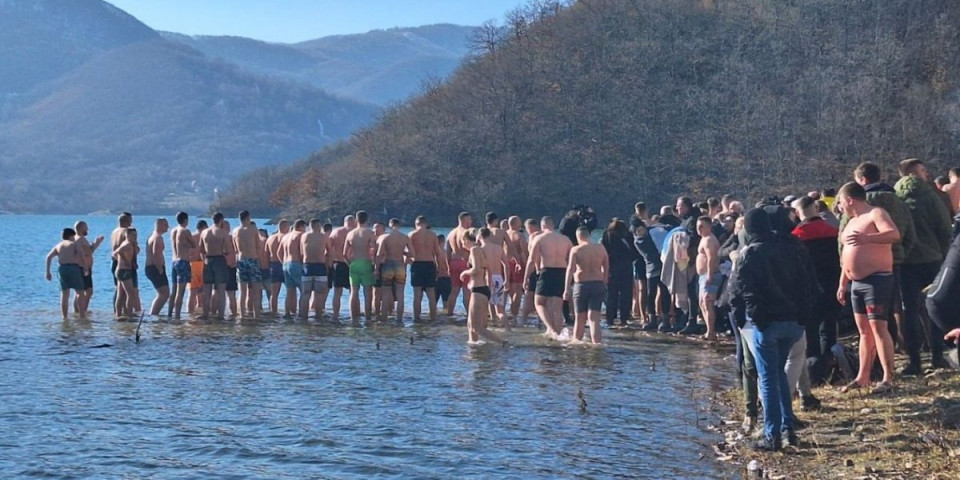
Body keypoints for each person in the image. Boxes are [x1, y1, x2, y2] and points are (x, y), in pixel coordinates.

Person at [734, 208, 815, 451]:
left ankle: (772, 435)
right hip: (793, 321)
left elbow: (742, 291)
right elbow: (807, 283)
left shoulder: (750, 253)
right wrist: (803, 317)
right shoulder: (792, 248)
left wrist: (750, 320)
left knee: (768, 379)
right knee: (778, 374)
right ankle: (788, 429)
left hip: (767, 323)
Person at [836, 182, 901, 393]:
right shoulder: (850, 222)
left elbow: (893, 234)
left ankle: (888, 377)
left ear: (849, 200)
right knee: (864, 331)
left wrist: (868, 238)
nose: (840, 207)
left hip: (877, 279)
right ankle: (862, 376)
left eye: (840, 202)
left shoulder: (875, 213)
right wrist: (843, 283)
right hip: (856, 283)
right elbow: (846, 255)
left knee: (878, 327)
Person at [895, 158, 952, 374]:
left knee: (909, 311)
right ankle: (937, 355)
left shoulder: (895, 198)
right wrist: (945, 255)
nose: (926, 174)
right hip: (932, 259)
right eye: (922, 170)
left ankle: (914, 360)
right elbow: (944, 228)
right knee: (934, 306)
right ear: (914, 173)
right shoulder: (931, 196)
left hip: (906, 262)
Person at [791, 196, 841, 386]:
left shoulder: (796, 236)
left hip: (809, 289)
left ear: (797, 213)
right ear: (816, 209)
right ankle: (832, 365)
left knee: (811, 331)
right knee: (829, 327)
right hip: (832, 285)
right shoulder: (833, 231)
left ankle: (814, 372)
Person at [526, 216, 573, 339]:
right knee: (557, 306)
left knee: (539, 303)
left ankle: (551, 329)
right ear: (553, 225)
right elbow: (572, 259)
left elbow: (531, 260)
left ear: (542, 226)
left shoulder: (540, 238)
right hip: (562, 272)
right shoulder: (565, 239)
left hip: (547, 271)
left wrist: (526, 277)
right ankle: (557, 333)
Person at [564, 226, 609, 344]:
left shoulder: (576, 250)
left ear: (578, 237)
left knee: (579, 318)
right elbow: (606, 266)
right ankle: (597, 344)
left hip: (581, 285)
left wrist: (566, 289)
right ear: (589, 235)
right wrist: (604, 282)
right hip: (597, 284)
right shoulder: (600, 248)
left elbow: (570, 270)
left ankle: (576, 343)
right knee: (594, 318)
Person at [460, 228, 505, 345]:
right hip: (482, 289)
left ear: (466, 240)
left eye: (462, 242)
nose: (462, 245)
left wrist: (464, 273)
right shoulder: (480, 249)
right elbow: (488, 269)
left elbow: (475, 269)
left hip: (478, 290)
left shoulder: (474, 250)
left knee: (476, 327)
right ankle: (473, 348)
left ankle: (503, 343)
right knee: (470, 326)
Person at [601, 219, 638, 328]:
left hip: (612, 267)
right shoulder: (628, 235)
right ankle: (624, 317)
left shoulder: (607, 235)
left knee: (612, 294)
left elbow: (604, 251)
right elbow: (634, 251)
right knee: (626, 293)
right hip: (626, 267)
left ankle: (610, 318)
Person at [375, 218, 412, 321]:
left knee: (385, 294)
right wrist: (403, 252)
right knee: (400, 294)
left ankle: (384, 319)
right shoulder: (405, 237)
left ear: (390, 226)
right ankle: (399, 319)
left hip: (388, 265)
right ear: (399, 226)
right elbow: (412, 254)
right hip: (400, 265)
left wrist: (376, 269)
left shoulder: (384, 237)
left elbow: (379, 254)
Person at [409, 216, 445, 322]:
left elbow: (410, 253)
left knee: (417, 294)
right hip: (429, 264)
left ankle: (417, 318)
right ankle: (433, 318)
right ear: (426, 223)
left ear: (416, 224)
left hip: (417, 264)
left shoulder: (412, 234)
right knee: (431, 294)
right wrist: (439, 267)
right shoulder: (433, 235)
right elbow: (437, 253)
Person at [45, 228, 84, 319]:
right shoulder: (73, 244)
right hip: (73, 268)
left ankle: (64, 316)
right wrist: (85, 267)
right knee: (80, 292)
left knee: (64, 294)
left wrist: (48, 271)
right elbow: (81, 254)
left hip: (62, 269)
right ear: (71, 236)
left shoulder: (58, 245)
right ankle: (82, 315)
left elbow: (49, 257)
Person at [345, 211, 377, 320]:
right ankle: (368, 318)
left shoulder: (350, 234)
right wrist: (374, 264)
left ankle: (352, 318)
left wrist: (350, 264)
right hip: (366, 263)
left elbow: (344, 254)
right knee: (368, 292)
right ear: (367, 219)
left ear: (356, 220)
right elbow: (373, 250)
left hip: (354, 264)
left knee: (353, 292)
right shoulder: (369, 233)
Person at [200, 212, 231, 320]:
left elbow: (201, 249)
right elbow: (227, 250)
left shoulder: (204, 232)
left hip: (208, 260)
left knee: (207, 290)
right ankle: (221, 316)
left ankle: (205, 314)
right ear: (221, 220)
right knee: (221, 290)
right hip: (219, 260)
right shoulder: (223, 233)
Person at [234, 210, 263, 319]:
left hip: (241, 260)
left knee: (242, 291)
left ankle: (242, 315)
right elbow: (258, 246)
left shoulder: (235, 231)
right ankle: (256, 315)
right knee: (256, 291)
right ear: (248, 218)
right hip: (252, 259)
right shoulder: (253, 229)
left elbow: (236, 249)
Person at [696, 216, 721, 340]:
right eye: (697, 226)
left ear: (709, 227)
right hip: (703, 275)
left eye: (701, 226)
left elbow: (712, 258)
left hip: (710, 275)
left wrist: (710, 275)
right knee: (702, 303)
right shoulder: (704, 239)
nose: (698, 229)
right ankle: (709, 331)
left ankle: (711, 332)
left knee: (707, 302)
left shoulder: (709, 240)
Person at [483, 212, 509, 324]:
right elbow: (506, 264)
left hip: (487, 277)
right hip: (498, 277)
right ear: (495, 221)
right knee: (500, 309)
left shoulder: (482, 248)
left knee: (489, 304)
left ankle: (493, 323)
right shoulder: (499, 247)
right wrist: (507, 280)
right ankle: (507, 328)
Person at [73, 221, 104, 315]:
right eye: (86, 228)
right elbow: (89, 252)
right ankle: (83, 310)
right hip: (83, 268)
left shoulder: (76, 238)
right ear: (81, 228)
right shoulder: (80, 239)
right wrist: (97, 243)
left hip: (82, 267)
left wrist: (95, 244)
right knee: (88, 291)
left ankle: (78, 311)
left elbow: (87, 251)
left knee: (80, 292)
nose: (87, 229)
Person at [299, 219, 328, 320]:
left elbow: (301, 252)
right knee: (319, 294)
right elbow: (329, 251)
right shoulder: (323, 236)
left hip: (307, 266)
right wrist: (328, 266)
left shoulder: (304, 236)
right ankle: (318, 318)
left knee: (305, 294)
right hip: (320, 266)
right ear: (318, 225)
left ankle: (304, 318)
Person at [169, 212, 195, 319]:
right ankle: (177, 316)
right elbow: (194, 244)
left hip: (174, 261)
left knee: (174, 291)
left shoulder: (173, 231)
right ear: (186, 220)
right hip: (183, 262)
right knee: (181, 292)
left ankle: (170, 314)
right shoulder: (185, 231)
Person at [328, 216, 355, 319]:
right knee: (353, 291)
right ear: (352, 221)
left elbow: (328, 250)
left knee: (337, 292)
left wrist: (329, 264)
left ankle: (335, 315)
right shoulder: (354, 233)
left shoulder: (335, 232)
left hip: (338, 263)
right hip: (351, 263)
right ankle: (354, 315)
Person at [446, 212, 473, 316]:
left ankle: (449, 314)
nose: (471, 222)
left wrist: (448, 266)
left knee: (454, 291)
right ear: (464, 220)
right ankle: (469, 315)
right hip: (464, 263)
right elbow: (470, 249)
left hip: (453, 263)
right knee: (467, 291)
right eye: (469, 219)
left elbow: (448, 252)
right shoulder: (466, 232)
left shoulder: (451, 233)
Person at [281, 219, 307, 318]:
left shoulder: (285, 236)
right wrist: (302, 263)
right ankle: (301, 315)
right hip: (296, 263)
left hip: (286, 264)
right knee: (303, 292)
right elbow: (302, 252)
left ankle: (287, 314)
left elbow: (279, 252)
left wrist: (283, 262)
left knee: (289, 292)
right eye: (304, 227)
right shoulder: (300, 235)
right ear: (301, 226)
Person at [505, 216, 528, 322]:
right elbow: (525, 251)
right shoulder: (519, 235)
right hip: (516, 263)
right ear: (516, 223)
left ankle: (506, 312)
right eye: (519, 222)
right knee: (517, 290)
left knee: (507, 289)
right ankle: (514, 314)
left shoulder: (505, 234)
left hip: (505, 263)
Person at [113, 227, 140, 318]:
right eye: (133, 235)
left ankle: (118, 314)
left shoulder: (131, 244)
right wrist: (125, 261)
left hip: (122, 270)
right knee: (130, 294)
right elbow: (117, 252)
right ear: (127, 235)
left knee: (121, 294)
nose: (135, 237)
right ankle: (129, 314)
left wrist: (131, 262)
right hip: (124, 271)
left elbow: (136, 251)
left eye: (136, 235)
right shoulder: (127, 244)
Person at [145, 218, 170, 316]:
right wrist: (159, 268)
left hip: (152, 268)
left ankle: (154, 315)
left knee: (161, 294)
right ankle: (153, 315)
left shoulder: (152, 236)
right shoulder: (157, 238)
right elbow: (155, 254)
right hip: (155, 268)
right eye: (165, 225)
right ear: (160, 225)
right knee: (164, 294)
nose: (168, 227)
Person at [519, 219, 541, 325]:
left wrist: (526, 276)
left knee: (528, 295)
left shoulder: (533, 236)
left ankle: (523, 319)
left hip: (535, 269)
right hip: (546, 269)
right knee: (542, 296)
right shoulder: (545, 236)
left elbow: (531, 258)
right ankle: (540, 319)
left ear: (530, 227)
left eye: (527, 229)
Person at [266, 220, 290, 315]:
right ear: (285, 227)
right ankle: (289, 313)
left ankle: (273, 313)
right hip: (283, 264)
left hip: (273, 265)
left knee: (274, 293)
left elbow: (266, 254)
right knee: (290, 291)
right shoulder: (285, 237)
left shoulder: (270, 238)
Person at [188, 220, 207, 313]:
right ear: (204, 227)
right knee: (202, 292)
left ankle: (190, 314)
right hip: (201, 264)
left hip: (192, 264)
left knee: (192, 293)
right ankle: (201, 312)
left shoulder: (190, 236)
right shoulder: (204, 236)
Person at [435, 234, 452, 312]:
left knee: (433, 302)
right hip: (446, 278)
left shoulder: (434, 253)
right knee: (446, 302)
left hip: (436, 279)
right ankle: (446, 316)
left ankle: (433, 316)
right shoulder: (447, 253)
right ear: (444, 241)